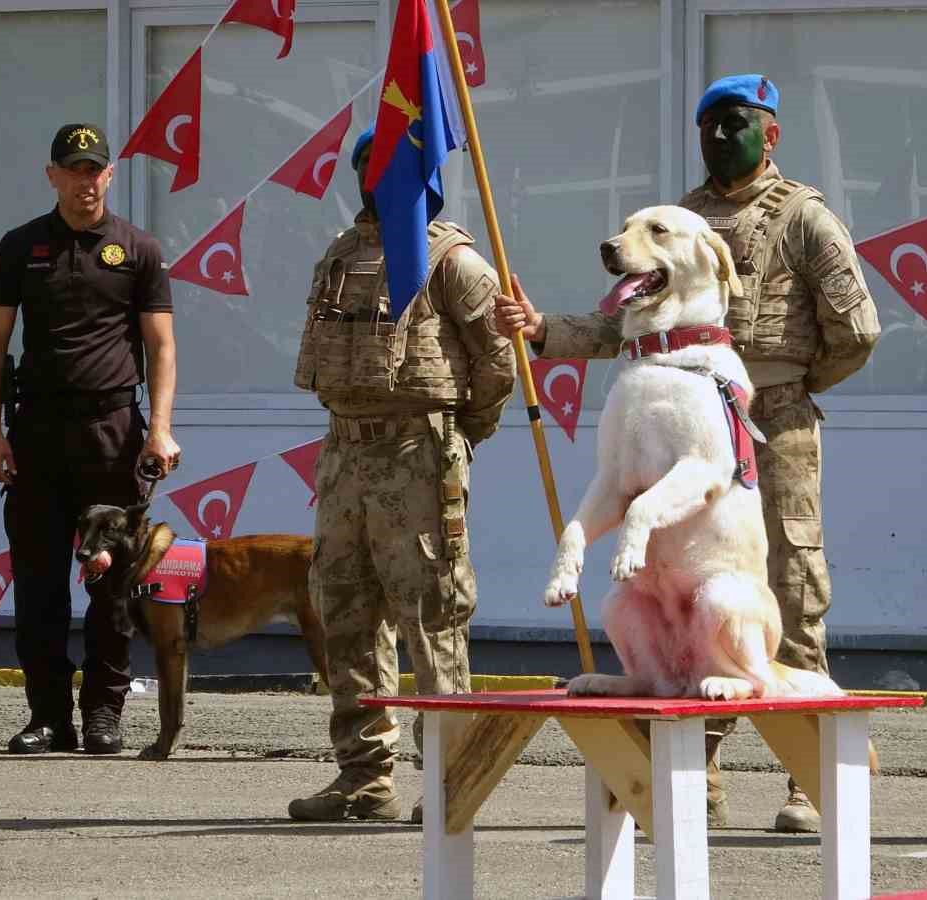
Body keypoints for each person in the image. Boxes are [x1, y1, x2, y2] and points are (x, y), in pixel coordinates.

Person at [497, 74, 881, 831]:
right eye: (708, 123)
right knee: (674, 578)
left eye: (735, 123)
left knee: (787, 584)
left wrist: (786, 386)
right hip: (675, 402)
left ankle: (809, 776)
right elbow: (624, 324)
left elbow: (857, 328)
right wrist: (544, 332)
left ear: (770, 134)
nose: (719, 136)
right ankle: (688, 776)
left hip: (767, 415)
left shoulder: (804, 219)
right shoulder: (675, 220)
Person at [287, 127, 515, 823]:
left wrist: (453, 437)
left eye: (388, 167)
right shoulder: (339, 256)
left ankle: (448, 777)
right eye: (365, 167)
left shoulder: (453, 261)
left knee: (432, 616)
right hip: (345, 455)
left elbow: (497, 365)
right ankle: (364, 776)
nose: (373, 179)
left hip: (417, 457)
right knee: (346, 612)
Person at [0, 124, 180, 756]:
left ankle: (103, 713)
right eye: (73, 169)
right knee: (38, 582)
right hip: (35, 430)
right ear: (53, 175)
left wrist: (162, 429)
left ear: (109, 176)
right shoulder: (20, 246)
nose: (85, 181)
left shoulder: (138, 249)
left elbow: (162, 346)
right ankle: (48, 716)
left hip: (112, 432)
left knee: (110, 581)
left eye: (95, 169)